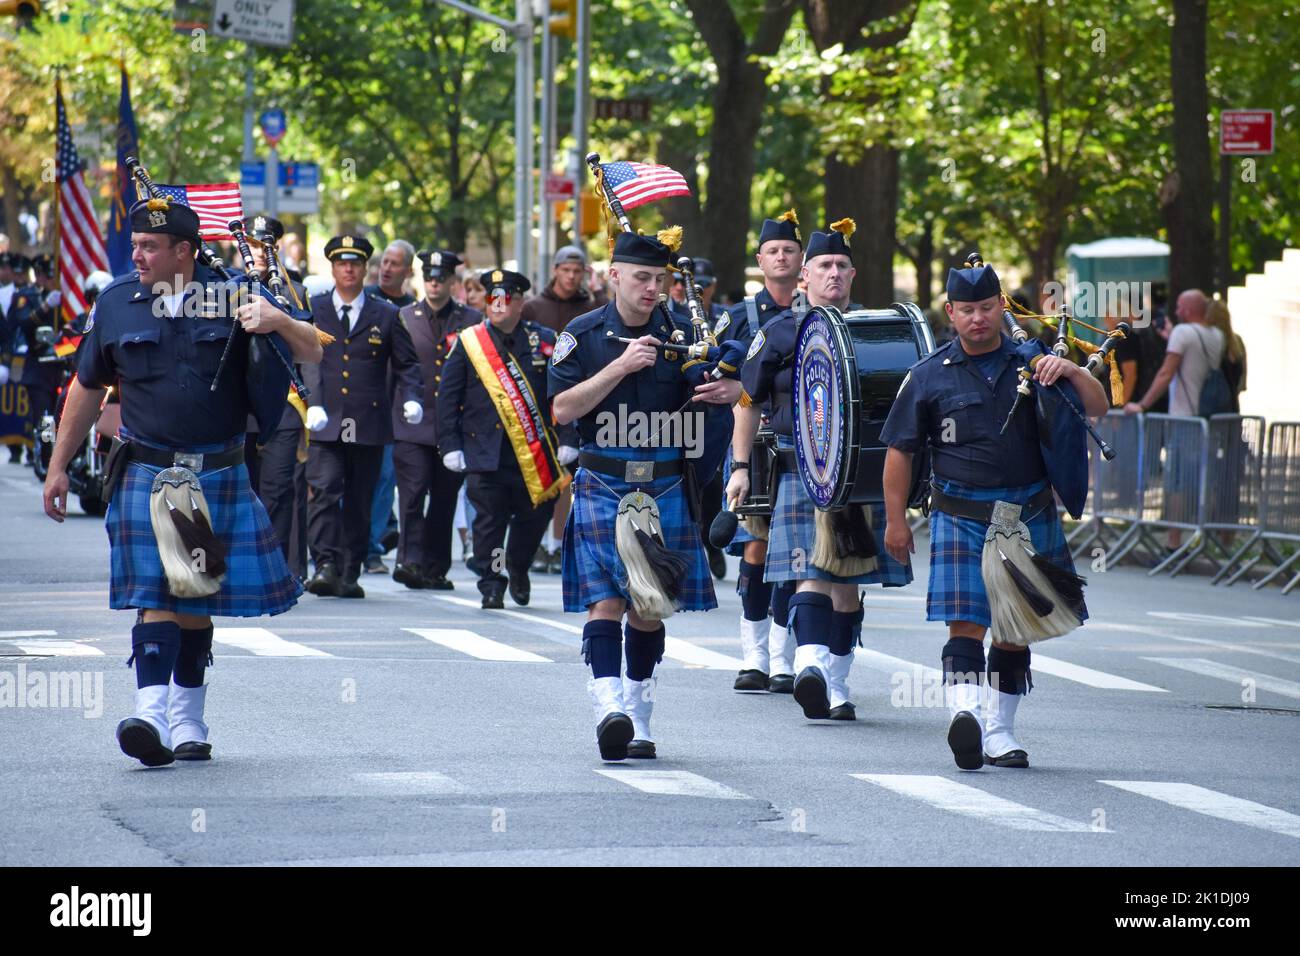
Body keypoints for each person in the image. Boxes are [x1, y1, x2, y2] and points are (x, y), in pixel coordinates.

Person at [41, 196, 322, 767]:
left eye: (149, 247)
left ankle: (187, 719)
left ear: (185, 252)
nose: (136, 256)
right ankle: (150, 715)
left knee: (192, 602)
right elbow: (87, 388)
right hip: (148, 470)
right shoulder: (118, 303)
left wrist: (279, 319)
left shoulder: (236, 294)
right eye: (136, 245)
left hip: (215, 471)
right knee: (158, 595)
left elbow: (312, 347)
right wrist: (58, 465)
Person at [879, 259, 1107, 770]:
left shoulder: (1035, 361)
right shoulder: (926, 376)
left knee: (1014, 628)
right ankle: (968, 717)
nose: (978, 318)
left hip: (1027, 511)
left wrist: (1069, 368)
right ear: (951, 312)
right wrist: (896, 520)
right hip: (959, 513)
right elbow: (900, 451)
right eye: (968, 310)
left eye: (987, 307)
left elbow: (1099, 407)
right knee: (966, 625)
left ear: (1001, 307)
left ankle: (1001, 733)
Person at [550, 230, 739, 761]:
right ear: (614, 276)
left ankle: (639, 712)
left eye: (660, 279)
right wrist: (621, 365)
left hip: (665, 483)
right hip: (602, 480)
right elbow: (563, 410)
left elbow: (720, 397)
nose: (652, 288)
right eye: (641, 278)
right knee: (605, 601)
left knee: (649, 609)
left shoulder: (685, 334)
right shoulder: (582, 334)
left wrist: (728, 390)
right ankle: (608, 707)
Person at [728, 219, 912, 723]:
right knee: (810, 570)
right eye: (824, 267)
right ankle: (808, 664)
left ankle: (837, 680)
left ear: (853, 275)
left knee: (848, 586)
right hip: (798, 468)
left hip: (859, 475)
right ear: (804, 276)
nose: (833, 274)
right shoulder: (780, 330)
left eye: (841, 267)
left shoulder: (874, 333)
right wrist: (741, 467)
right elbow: (747, 400)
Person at [438, 269, 577, 608]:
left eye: (506, 298)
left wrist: (568, 437)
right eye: (492, 298)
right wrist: (451, 445)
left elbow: (564, 393)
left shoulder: (543, 339)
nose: (498, 304)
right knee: (490, 524)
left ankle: (518, 563)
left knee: (535, 518)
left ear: (520, 303)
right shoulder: (470, 343)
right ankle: (494, 579)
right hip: (486, 452)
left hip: (536, 452)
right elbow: (447, 397)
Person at [302, 234, 423, 598]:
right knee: (324, 491)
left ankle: (350, 569)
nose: (349, 269)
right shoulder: (315, 308)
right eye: (342, 263)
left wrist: (412, 398)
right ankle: (324, 563)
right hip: (327, 420)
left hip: (368, 423)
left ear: (364, 268)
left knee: (359, 498)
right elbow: (306, 358)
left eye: (355, 263)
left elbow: (407, 364)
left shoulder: (385, 314)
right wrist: (314, 401)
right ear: (334, 268)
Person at [720, 211, 802, 692]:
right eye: (773, 251)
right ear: (760, 260)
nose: (781, 257)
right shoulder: (738, 317)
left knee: (794, 554)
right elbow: (715, 382)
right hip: (754, 444)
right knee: (755, 548)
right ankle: (753, 655)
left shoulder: (820, 316)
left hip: (805, 445)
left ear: (801, 260)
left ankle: (783, 656)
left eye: (789, 250)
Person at [391, 249, 481, 590]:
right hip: (413, 423)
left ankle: (435, 567)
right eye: (429, 277)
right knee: (412, 495)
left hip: (453, 426)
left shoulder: (470, 319)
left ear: (451, 282)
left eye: (441, 278)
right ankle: (409, 560)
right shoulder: (405, 316)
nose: (434, 283)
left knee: (444, 499)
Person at [522, 245, 607, 573]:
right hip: (539, 402)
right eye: (566, 270)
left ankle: (557, 544)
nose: (571, 277)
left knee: (567, 477)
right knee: (538, 476)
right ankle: (536, 543)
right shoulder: (534, 307)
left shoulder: (590, 306)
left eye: (577, 271)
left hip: (580, 401)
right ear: (555, 270)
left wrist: (600, 294)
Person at [236, 215, 312, 580]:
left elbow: (311, 345)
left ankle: (279, 568)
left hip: (284, 403)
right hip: (238, 405)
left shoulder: (294, 290)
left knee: (278, 487)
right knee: (242, 486)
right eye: (252, 244)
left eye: (266, 245)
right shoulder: (223, 287)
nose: (260, 253)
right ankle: (243, 565)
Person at [362, 239, 417, 573]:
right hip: (353, 405)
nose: (386, 268)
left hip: (391, 408)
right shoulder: (363, 300)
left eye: (395, 264)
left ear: (408, 271)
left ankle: (371, 547)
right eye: (384, 262)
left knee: (384, 479)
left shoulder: (412, 311)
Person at [1124, 289, 1223, 419]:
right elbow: (1194, 356)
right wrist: (1171, 337)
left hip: (1185, 415)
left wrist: (1142, 405)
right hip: (1210, 411)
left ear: (1187, 311)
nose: (1176, 312)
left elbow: (1165, 373)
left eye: (1179, 307)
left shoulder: (1181, 332)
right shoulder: (1217, 334)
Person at [1206, 299, 1247, 411]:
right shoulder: (1237, 342)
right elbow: (1242, 383)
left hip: (1211, 405)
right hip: (1232, 405)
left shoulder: (1210, 342)